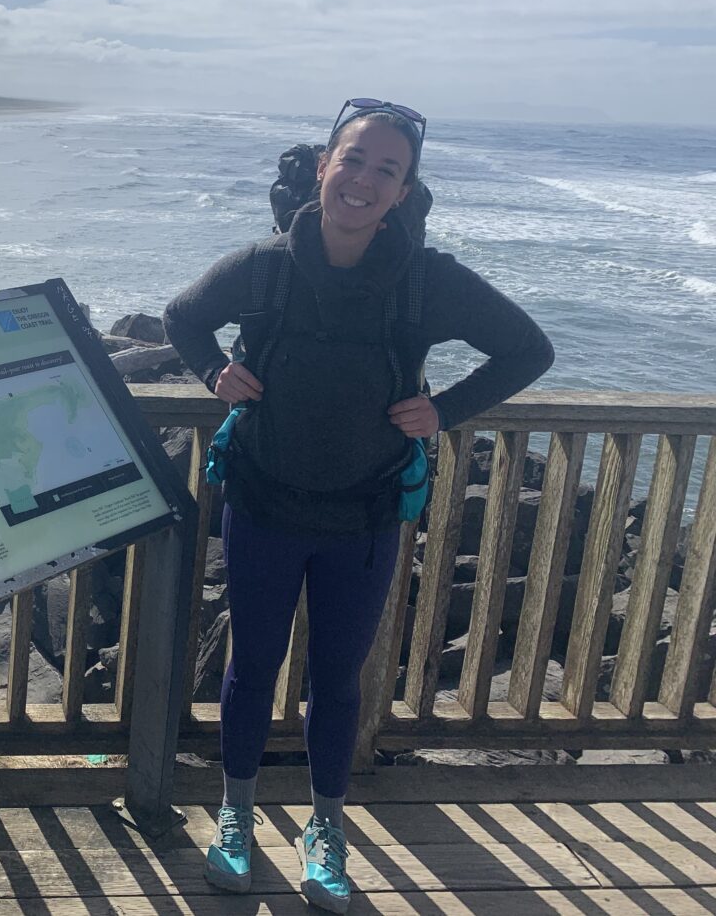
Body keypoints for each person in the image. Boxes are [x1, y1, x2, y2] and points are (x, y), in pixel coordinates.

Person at [163, 99, 554, 913]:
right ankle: (235, 817)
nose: (366, 180)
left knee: (337, 680)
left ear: (405, 191)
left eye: (388, 169)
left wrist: (444, 408)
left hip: (366, 519)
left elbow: (528, 349)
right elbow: (183, 318)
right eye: (354, 160)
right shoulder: (265, 268)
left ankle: (326, 828)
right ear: (323, 167)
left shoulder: (426, 282)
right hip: (264, 505)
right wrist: (212, 373)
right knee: (251, 669)